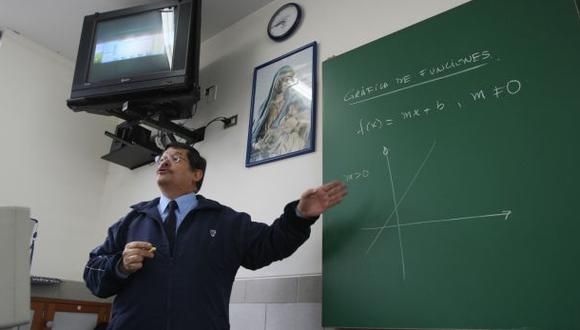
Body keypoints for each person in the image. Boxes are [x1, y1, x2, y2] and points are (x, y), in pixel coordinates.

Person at [84, 143, 347, 330]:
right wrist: (119, 265)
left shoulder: (226, 221)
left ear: (197, 175)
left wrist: (299, 215)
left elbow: (270, 244)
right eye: (161, 158)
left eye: (175, 158)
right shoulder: (130, 221)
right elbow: (92, 272)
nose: (163, 161)